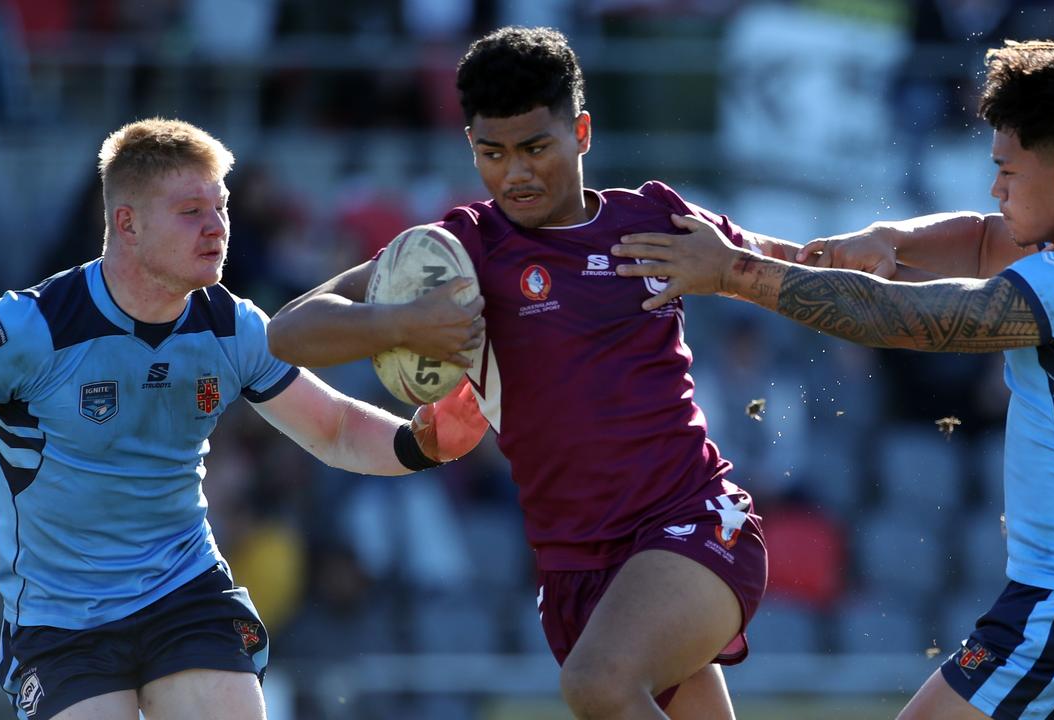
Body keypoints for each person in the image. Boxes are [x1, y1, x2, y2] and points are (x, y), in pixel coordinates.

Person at [613, 40, 1054, 720]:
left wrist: (733, 274)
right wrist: (890, 240)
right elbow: (983, 239)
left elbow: (912, 320)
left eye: (1006, 170)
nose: (994, 188)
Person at [267, 26, 799, 720]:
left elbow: (790, 264)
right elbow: (289, 331)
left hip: (690, 522)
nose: (514, 173)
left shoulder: (653, 222)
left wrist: (896, 259)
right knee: (608, 681)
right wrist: (397, 325)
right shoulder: (467, 250)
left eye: (534, 148)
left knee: (598, 684)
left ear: (580, 130)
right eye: (492, 153)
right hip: (575, 572)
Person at [0, 117, 483, 720]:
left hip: (182, 592)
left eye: (221, 208)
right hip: (61, 618)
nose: (218, 227)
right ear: (127, 223)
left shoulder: (232, 326)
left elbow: (333, 429)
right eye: (191, 211)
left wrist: (421, 442)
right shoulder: (32, 330)